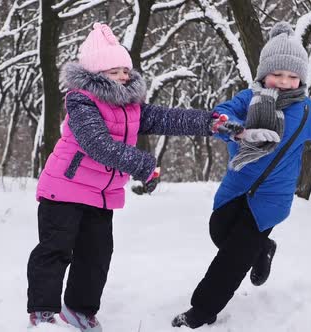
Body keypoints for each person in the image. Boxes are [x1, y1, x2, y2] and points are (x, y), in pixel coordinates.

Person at [26, 23, 271, 331]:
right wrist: (142, 164)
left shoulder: (129, 106)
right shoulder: (81, 102)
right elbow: (97, 144)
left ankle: (78, 310)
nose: (124, 76)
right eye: (114, 71)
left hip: (99, 196)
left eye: (125, 70)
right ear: (96, 75)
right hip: (63, 191)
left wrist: (212, 123)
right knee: (55, 250)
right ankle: (43, 312)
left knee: (96, 255)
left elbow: (167, 118)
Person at [171, 21, 311, 329]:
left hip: (270, 201)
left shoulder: (307, 112)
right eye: (277, 74)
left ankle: (202, 310)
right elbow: (222, 113)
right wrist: (234, 129)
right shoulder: (248, 98)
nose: (284, 81)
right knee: (219, 232)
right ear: (264, 73)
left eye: (292, 76)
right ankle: (263, 249)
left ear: (301, 79)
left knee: (233, 258)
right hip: (237, 186)